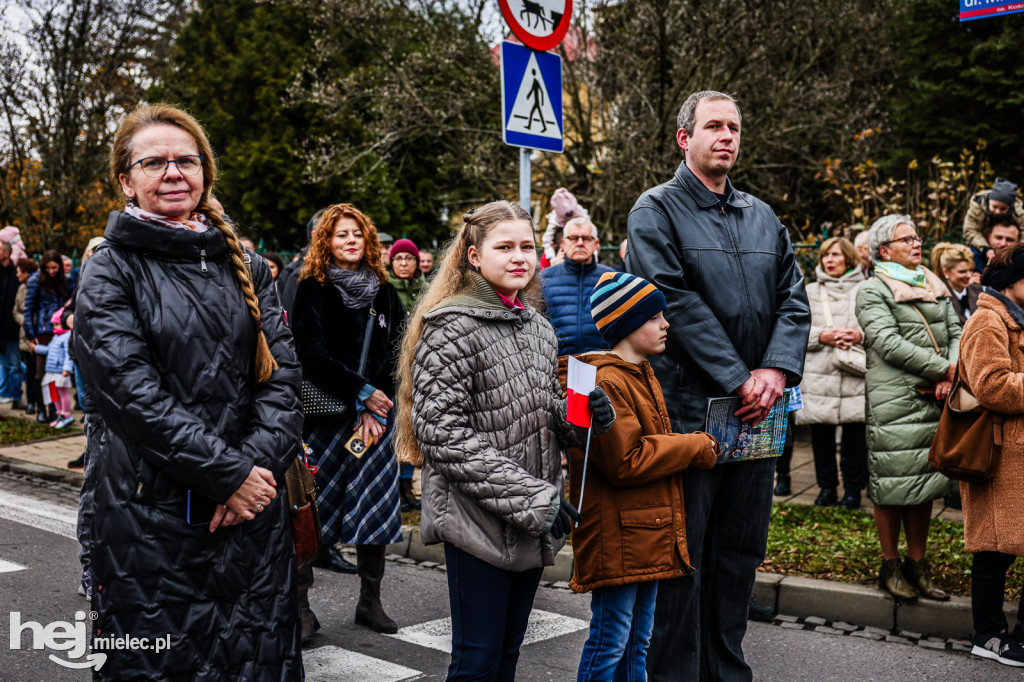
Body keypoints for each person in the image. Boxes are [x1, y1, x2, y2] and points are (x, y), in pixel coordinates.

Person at [74, 103, 303, 678]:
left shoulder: (248, 265)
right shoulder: (111, 268)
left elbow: (282, 379)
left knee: (256, 659)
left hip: (252, 512)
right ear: (126, 181)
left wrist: (252, 472)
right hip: (151, 519)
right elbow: (131, 395)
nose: (173, 172)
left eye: (187, 160)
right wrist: (227, 475)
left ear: (205, 173)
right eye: (154, 162)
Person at [627, 90, 810, 681]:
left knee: (738, 554)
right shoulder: (655, 210)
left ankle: (726, 672)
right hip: (687, 413)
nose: (727, 135)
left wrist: (775, 370)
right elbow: (672, 300)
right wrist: (738, 377)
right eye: (714, 126)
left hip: (757, 415)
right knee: (684, 553)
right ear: (685, 138)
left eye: (733, 126)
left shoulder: (763, 216)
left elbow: (794, 299)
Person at [395, 201, 599, 680]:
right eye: (504, 247)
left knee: (508, 655)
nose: (519, 257)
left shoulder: (537, 326)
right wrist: (533, 497)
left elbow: (544, 414)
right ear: (473, 256)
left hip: (530, 517)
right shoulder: (451, 325)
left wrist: (584, 418)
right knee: (478, 660)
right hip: (476, 519)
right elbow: (441, 433)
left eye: (526, 246)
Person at [565, 271, 720, 681]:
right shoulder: (608, 380)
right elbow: (627, 460)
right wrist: (695, 446)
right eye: (654, 317)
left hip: (642, 532)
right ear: (627, 325)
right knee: (610, 640)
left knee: (637, 641)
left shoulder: (640, 372)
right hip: (620, 535)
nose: (666, 324)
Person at [291, 203, 405, 636]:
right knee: (311, 511)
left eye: (357, 233)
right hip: (326, 419)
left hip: (374, 422)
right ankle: (301, 608)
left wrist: (379, 405)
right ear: (326, 241)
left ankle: (370, 603)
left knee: (375, 510)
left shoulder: (384, 292)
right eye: (341, 234)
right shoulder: (312, 288)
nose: (351, 240)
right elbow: (310, 354)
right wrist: (361, 394)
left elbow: (399, 353)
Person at [855, 214, 959, 603]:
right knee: (891, 482)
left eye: (917, 238)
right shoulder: (872, 290)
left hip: (934, 396)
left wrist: (952, 371)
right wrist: (944, 368)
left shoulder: (933, 283)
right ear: (884, 251)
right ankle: (891, 565)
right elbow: (887, 342)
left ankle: (918, 565)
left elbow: (957, 332)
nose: (917, 244)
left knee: (924, 482)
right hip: (895, 400)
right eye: (907, 239)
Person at [958, 243, 1024, 667]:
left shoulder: (1016, 318)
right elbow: (993, 386)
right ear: (1013, 281)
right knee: (993, 550)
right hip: (1000, 456)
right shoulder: (988, 321)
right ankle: (988, 635)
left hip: (1016, 453)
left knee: (1001, 547)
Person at [793, 237, 868, 509]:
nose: (829, 260)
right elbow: (795, 328)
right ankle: (826, 489)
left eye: (835, 254)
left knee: (855, 437)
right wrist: (821, 336)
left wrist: (859, 336)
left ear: (849, 258)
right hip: (820, 373)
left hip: (853, 373)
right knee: (821, 436)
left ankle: (852, 491)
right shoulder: (809, 291)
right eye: (825, 255)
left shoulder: (867, 290)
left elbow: (880, 328)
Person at [387, 237, 426, 511]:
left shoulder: (427, 288)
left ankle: (407, 483)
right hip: (393, 367)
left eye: (408, 258)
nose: (403, 263)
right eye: (398, 258)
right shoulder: (386, 288)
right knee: (396, 425)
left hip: (421, 365)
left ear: (416, 262)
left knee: (414, 426)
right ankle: (394, 485)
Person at [540, 217, 615, 355]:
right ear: (563, 243)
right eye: (574, 238)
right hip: (556, 361)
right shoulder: (544, 279)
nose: (580, 243)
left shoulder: (612, 278)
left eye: (586, 238)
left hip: (603, 361)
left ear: (596, 243)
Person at [24, 250, 70, 424]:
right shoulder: (35, 280)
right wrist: (30, 334)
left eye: (54, 268)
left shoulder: (65, 280)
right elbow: (29, 309)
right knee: (41, 373)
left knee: (55, 375)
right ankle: (41, 408)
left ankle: (54, 409)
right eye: (48, 268)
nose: (51, 271)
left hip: (60, 330)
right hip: (42, 331)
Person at [963, 177, 1024, 260]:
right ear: (989, 201)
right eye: (995, 207)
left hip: (1009, 247)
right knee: (975, 255)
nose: (998, 211)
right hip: (980, 244)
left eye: (1003, 209)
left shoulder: (1018, 212)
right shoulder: (976, 208)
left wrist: (1017, 249)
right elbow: (970, 230)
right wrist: (985, 248)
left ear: (1010, 207)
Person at [34, 308, 74, 428]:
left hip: (60, 371)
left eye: (56, 324)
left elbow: (69, 354)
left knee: (62, 393)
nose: (54, 327)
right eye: (53, 325)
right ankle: (59, 414)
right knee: (54, 394)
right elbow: (49, 350)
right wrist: (37, 348)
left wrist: (67, 368)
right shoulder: (56, 337)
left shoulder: (67, 336)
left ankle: (66, 415)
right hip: (50, 371)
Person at [12, 258, 39, 416]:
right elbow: (15, 310)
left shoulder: (39, 286)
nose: (17, 275)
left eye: (19, 272)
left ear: (26, 272)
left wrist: (33, 321)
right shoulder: (21, 288)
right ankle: (30, 402)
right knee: (29, 372)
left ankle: (43, 404)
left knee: (39, 372)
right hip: (24, 335)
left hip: (38, 334)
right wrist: (25, 321)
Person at [932, 242, 982, 323]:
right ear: (946, 272)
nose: (969, 275)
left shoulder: (980, 292)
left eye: (971, 270)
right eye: (962, 272)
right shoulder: (939, 297)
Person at [0, 241, 24, 408]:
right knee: (2, 364)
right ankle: (4, 393)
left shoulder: (16, 273)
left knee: (15, 365)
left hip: (12, 329)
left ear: (7, 253)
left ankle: (16, 397)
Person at [540, 187, 589, 268]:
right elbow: (547, 241)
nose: (579, 243)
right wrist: (554, 262)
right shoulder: (554, 222)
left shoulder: (582, 215)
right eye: (573, 238)